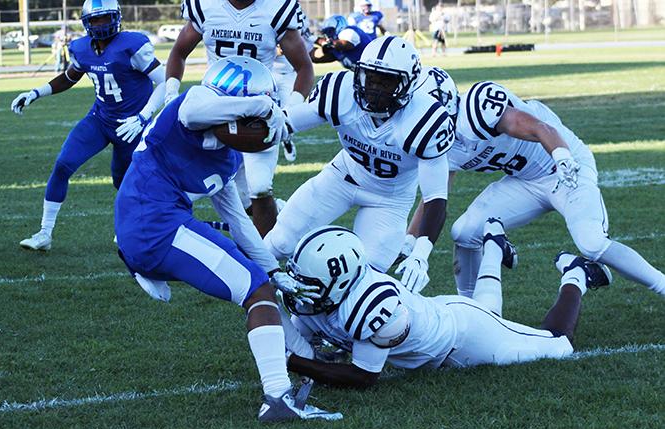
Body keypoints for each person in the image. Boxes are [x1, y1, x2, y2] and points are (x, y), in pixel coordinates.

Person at [114, 56, 341, 423]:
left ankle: (306, 358)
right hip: (153, 226)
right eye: (252, 122)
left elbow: (237, 218)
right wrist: (263, 105)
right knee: (256, 290)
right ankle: (278, 398)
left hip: (157, 224)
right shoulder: (190, 104)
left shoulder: (228, 157)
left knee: (260, 282)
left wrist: (273, 269)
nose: (257, 128)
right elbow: (194, 114)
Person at [408, 67, 665, 300]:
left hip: (563, 167)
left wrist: (562, 156)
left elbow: (541, 128)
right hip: (525, 181)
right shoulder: (437, 142)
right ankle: (471, 306)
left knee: (592, 242)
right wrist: (410, 242)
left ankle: (661, 285)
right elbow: (434, 198)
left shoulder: (478, 107)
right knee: (464, 232)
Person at [278, 223, 612, 389]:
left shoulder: (372, 305)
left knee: (559, 345)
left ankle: (576, 274)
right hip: (448, 316)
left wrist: (294, 363)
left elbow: (363, 377)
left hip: (463, 340)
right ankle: (494, 244)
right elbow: (304, 336)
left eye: (310, 282)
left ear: (341, 280)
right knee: (488, 310)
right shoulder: (324, 297)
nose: (299, 290)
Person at [265, 37, 455, 295]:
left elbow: (435, 198)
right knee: (280, 241)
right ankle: (254, 298)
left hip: (390, 199)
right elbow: (286, 124)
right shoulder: (341, 91)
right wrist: (253, 123)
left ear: (408, 85)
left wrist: (421, 255)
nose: (375, 87)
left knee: (365, 280)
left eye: (387, 81)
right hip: (341, 177)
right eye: (371, 77)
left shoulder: (424, 119)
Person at [12, 0, 166, 251]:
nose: (101, 24)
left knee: (124, 183)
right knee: (63, 165)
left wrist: (142, 117)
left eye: (105, 18)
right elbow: (69, 77)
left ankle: (130, 229)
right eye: (95, 19)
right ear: (86, 22)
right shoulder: (81, 48)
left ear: (116, 18)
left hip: (130, 126)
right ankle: (44, 233)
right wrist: (35, 92)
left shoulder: (133, 45)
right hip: (100, 119)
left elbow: (164, 82)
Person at [165, 0, 314, 237]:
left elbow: (304, 67)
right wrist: (171, 94)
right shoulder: (205, 6)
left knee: (260, 188)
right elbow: (179, 52)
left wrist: (289, 111)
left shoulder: (277, 8)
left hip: (259, 112)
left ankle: (268, 262)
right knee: (188, 178)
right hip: (215, 110)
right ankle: (152, 224)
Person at [272, 12, 316, 162]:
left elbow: (308, 46)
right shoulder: (266, 10)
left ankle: (287, 139)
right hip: (266, 71)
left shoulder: (299, 16)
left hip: (289, 72)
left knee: (287, 113)